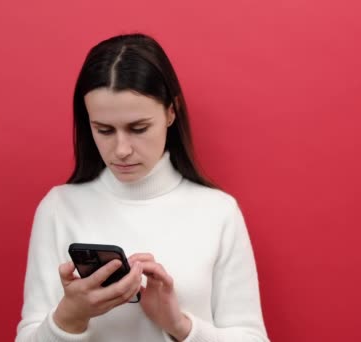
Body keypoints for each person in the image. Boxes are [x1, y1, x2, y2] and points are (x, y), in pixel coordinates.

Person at [15, 33, 270, 342]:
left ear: (171, 112)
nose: (121, 149)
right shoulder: (59, 208)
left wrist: (180, 326)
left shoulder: (218, 212)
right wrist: (70, 315)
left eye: (138, 128)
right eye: (104, 130)